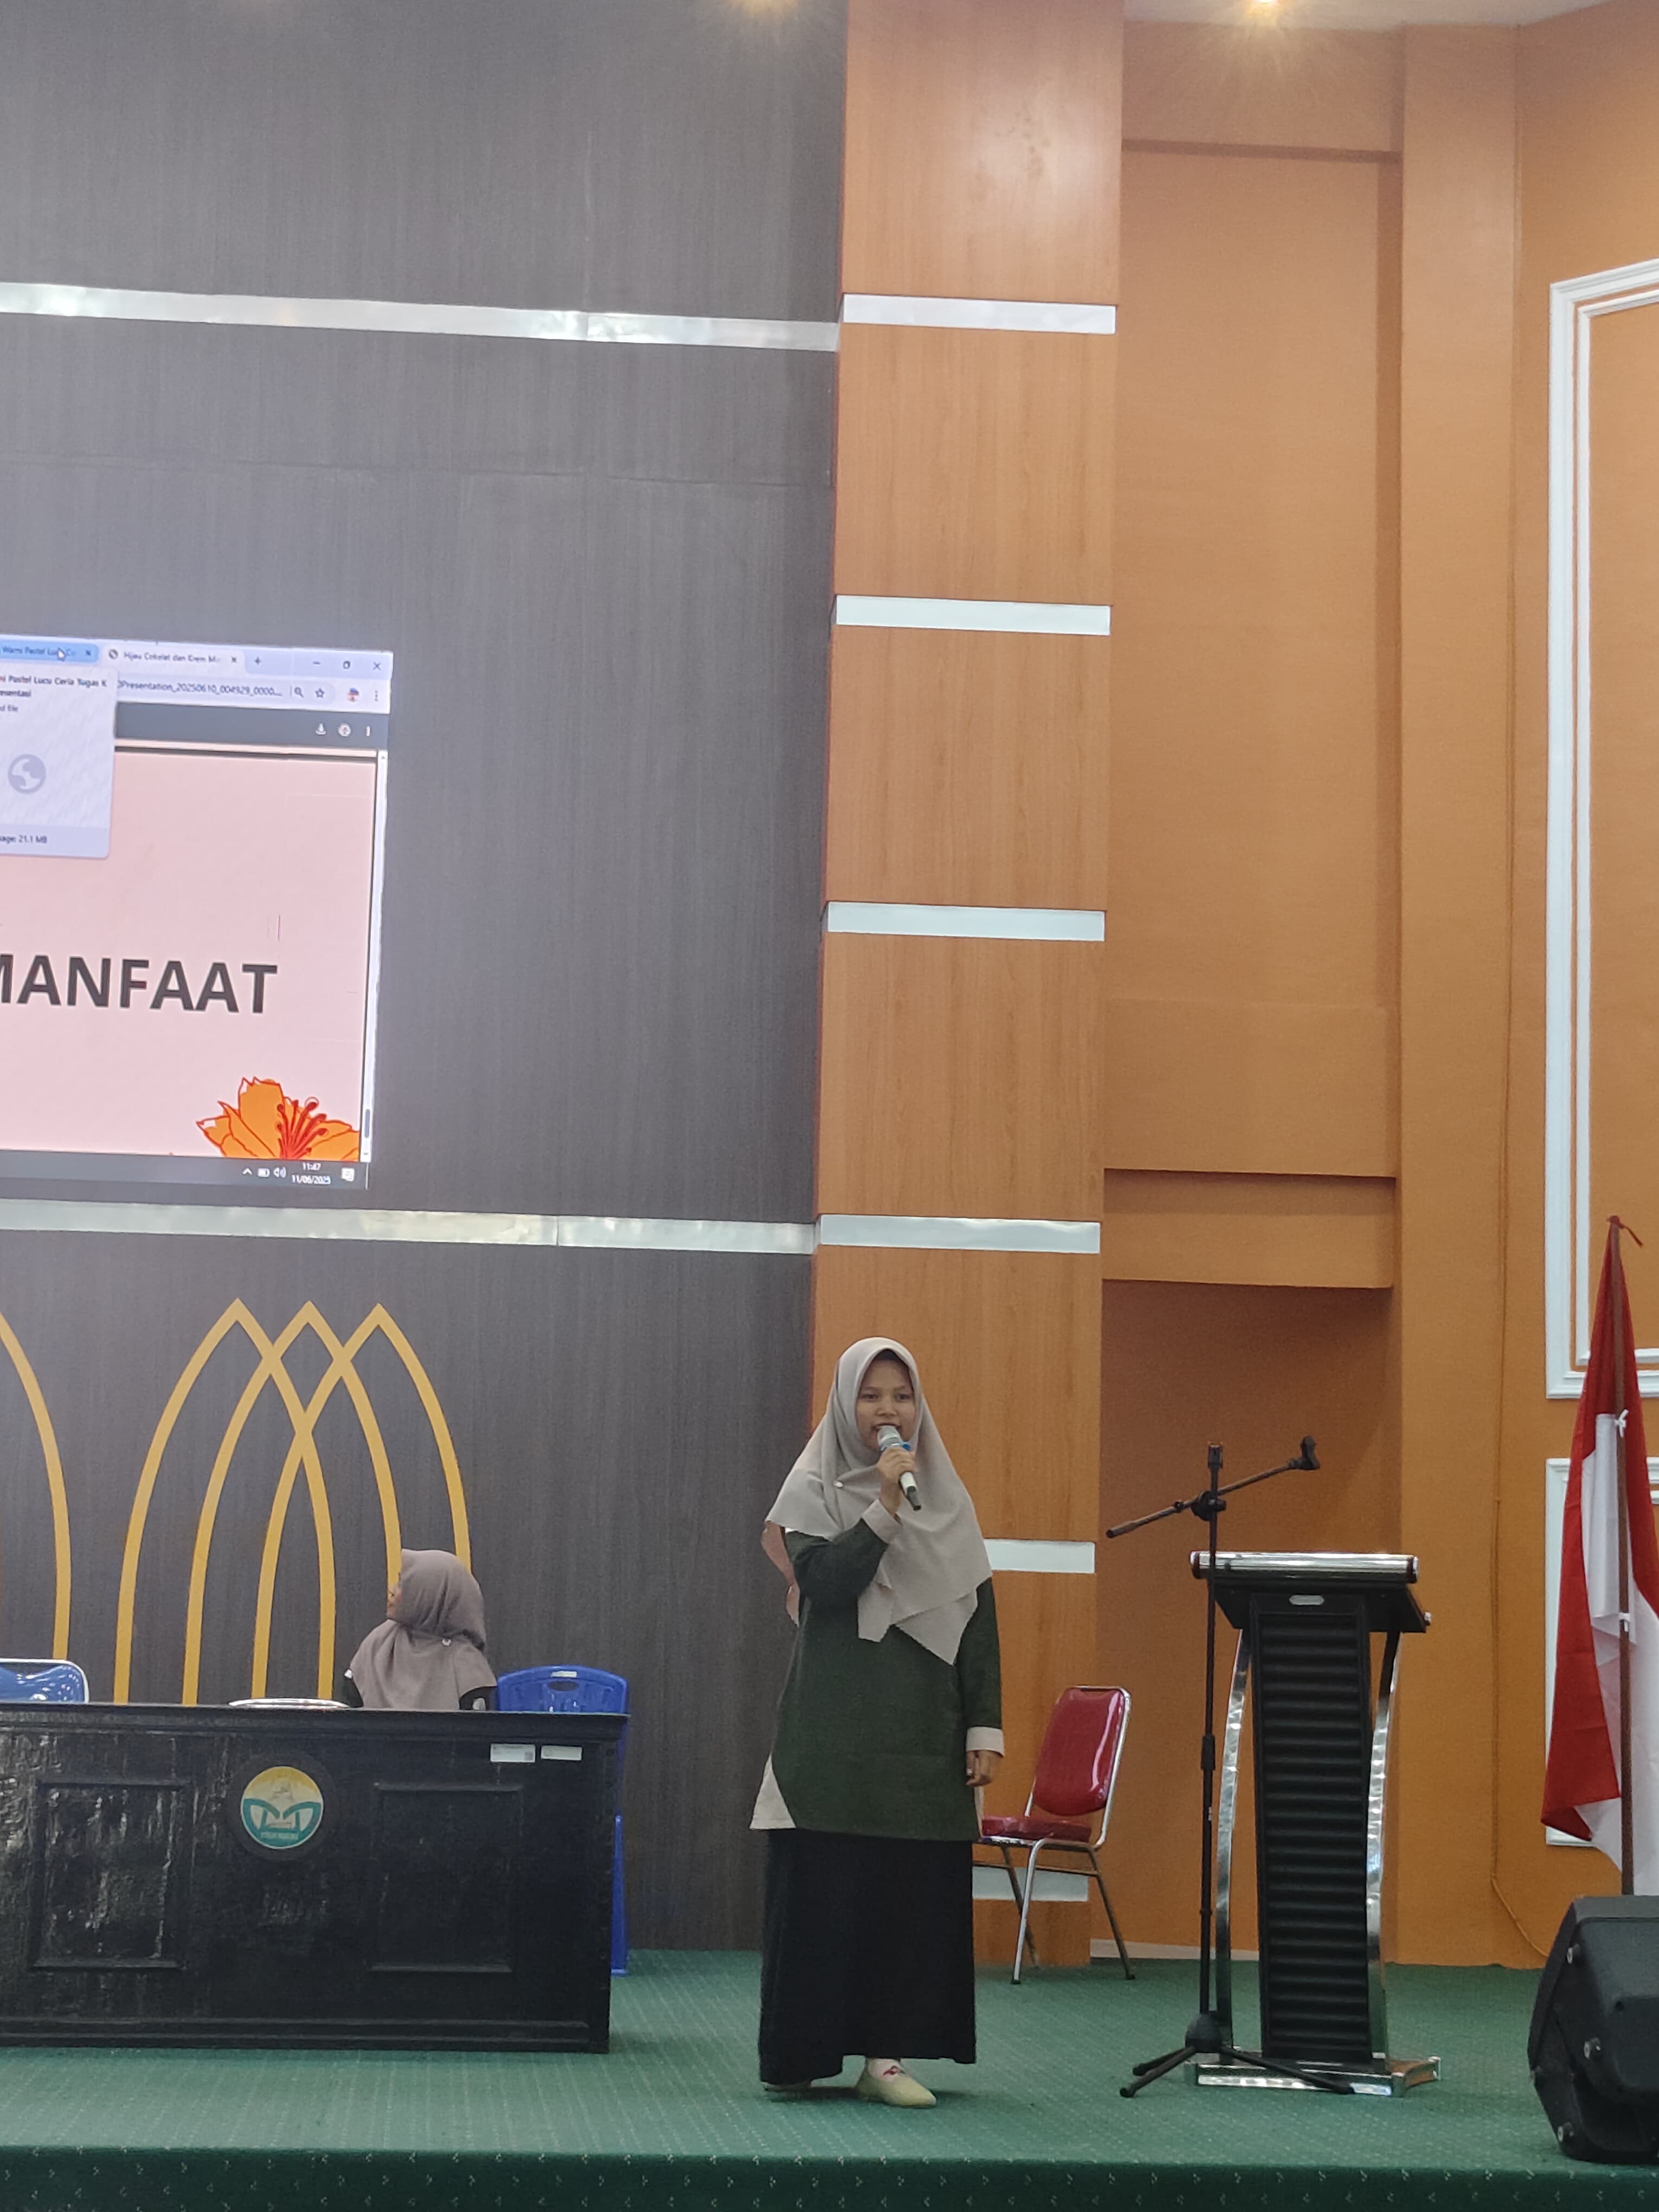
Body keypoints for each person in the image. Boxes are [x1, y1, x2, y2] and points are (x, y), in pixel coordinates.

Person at [754, 1338, 1001, 2108]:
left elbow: (978, 1622)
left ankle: (885, 2059)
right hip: (831, 1734)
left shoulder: (948, 1503)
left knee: (907, 1902)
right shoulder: (810, 1493)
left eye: (901, 1396)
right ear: (844, 1405)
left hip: (922, 1732)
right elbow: (828, 1583)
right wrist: (885, 1509)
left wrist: (983, 1728)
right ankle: (801, 2053)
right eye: (871, 1396)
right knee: (823, 1899)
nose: (888, 1411)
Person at [341, 1547, 497, 1711]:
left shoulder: (466, 1666)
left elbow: (474, 1724)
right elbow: (349, 1708)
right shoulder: (380, 1642)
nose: (392, 1590)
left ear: (430, 1595)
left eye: (402, 1584)